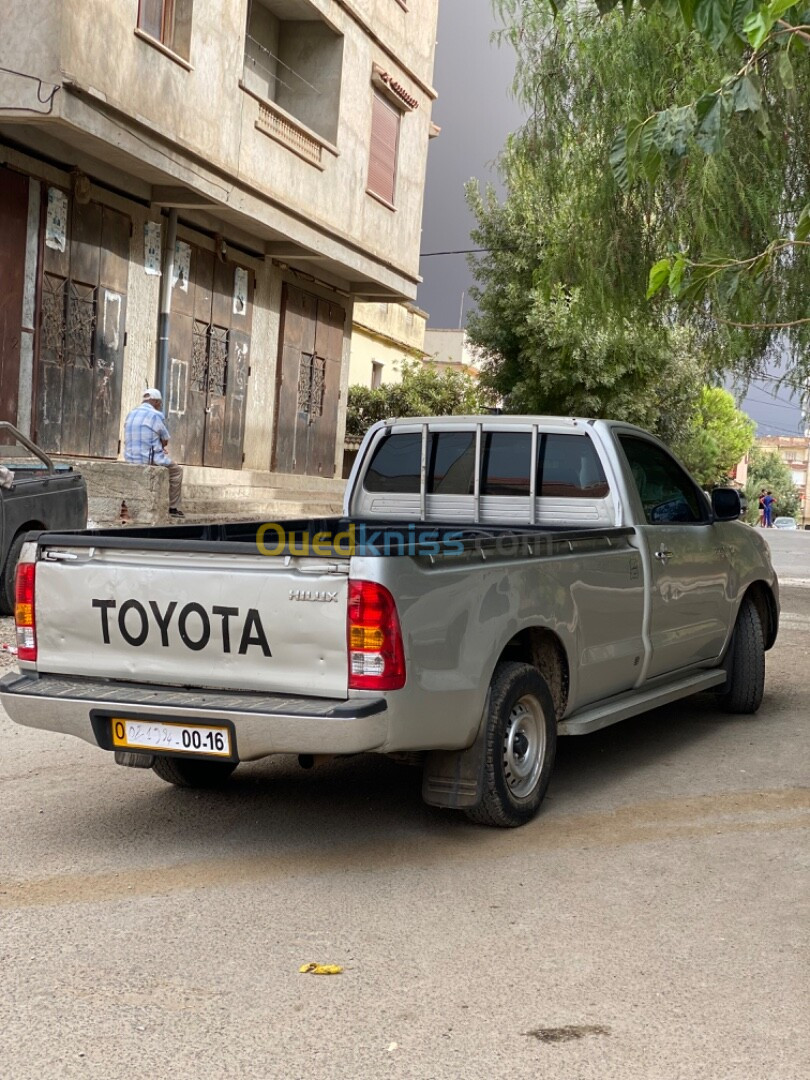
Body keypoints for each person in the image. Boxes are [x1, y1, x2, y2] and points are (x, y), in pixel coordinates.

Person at [123, 388, 184, 517]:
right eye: (160, 404)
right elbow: (165, 439)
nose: (159, 406)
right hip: (149, 459)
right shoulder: (156, 415)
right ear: (156, 402)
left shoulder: (131, 413)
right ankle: (173, 508)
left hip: (130, 458)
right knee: (177, 471)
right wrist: (161, 446)